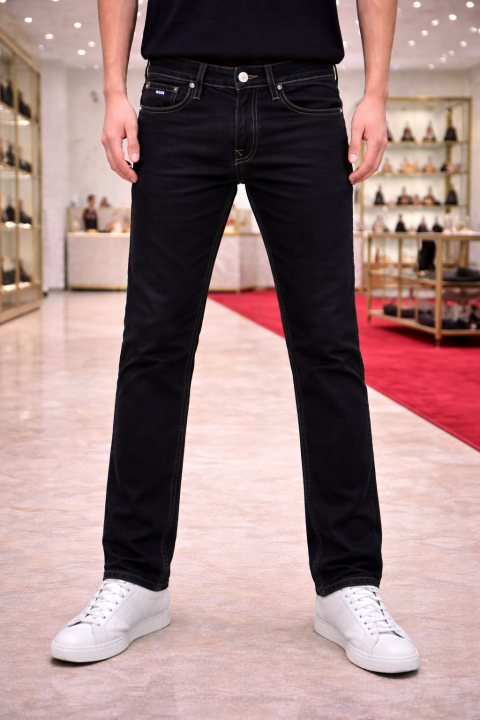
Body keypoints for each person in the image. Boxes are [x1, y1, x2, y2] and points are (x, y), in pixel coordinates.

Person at [51, 0, 419, 673]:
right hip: (176, 95)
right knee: (153, 346)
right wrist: (112, 89)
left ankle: (348, 582)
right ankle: (134, 577)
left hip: (305, 97)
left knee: (330, 348)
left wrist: (376, 91)